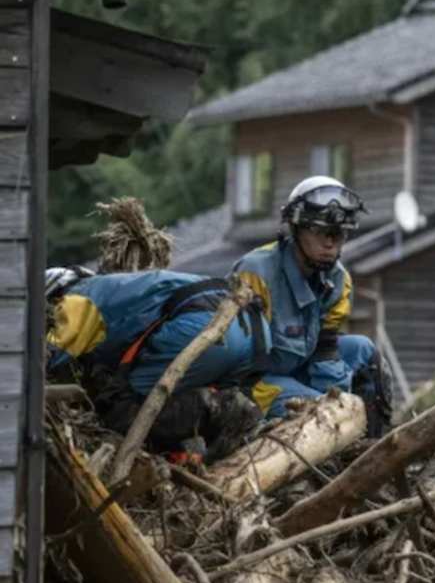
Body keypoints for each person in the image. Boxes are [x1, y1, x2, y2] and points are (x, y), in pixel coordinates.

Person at [45, 265, 270, 462]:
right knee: (176, 405)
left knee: (121, 413)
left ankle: (226, 410)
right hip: (252, 327)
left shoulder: (76, 298)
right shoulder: (118, 288)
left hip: (205, 325)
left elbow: (46, 357)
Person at [231, 175, 393, 436]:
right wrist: (329, 408)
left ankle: (372, 445)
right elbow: (236, 362)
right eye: (319, 232)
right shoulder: (256, 274)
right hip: (255, 382)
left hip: (302, 367)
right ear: (296, 230)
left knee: (364, 351)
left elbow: (325, 353)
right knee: (322, 416)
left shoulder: (340, 281)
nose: (330, 243)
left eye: (338, 234)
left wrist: (337, 399)